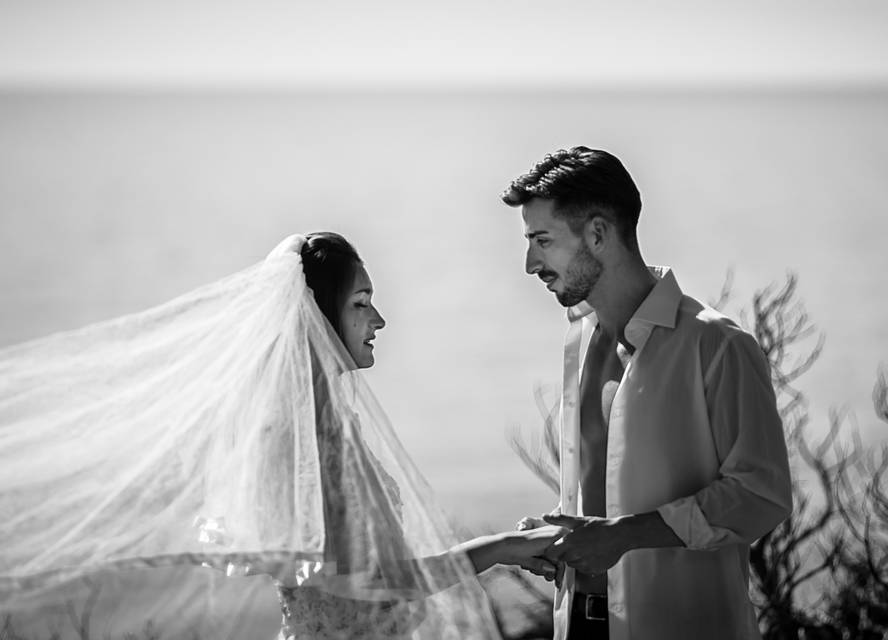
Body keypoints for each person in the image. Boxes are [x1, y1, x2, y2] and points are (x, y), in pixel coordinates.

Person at [0, 232, 560, 640]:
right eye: (360, 304)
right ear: (317, 317)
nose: (379, 321)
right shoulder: (316, 440)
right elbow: (383, 582)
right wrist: (503, 549)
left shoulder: (313, 424)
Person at [501, 147, 793, 639]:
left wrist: (624, 537)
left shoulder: (718, 345)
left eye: (542, 240)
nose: (531, 263)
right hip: (576, 622)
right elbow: (604, 496)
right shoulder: (581, 340)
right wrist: (562, 539)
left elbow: (760, 494)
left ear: (597, 234)